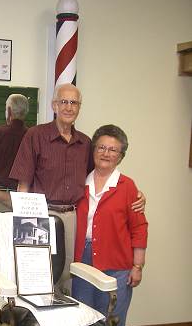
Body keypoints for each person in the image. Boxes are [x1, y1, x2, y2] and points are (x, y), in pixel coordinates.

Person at [9, 83, 145, 286]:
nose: (68, 107)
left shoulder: (85, 143)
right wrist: (21, 225)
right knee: (38, 278)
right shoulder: (35, 136)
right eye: (63, 102)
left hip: (73, 218)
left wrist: (137, 194)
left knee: (69, 279)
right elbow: (23, 184)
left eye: (74, 103)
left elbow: (100, 174)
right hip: (40, 216)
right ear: (54, 105)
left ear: (79, 108)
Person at [72, 124, 148, 326]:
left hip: (117, 262)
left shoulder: (127, 187)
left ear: (120, 156)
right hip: (82, 259)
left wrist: (137, 265)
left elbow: (139, 227)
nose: (106, 153)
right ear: (94, 150)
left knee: (112, 317)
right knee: (85, 316)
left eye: (113, 149)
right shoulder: (79, 180)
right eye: (102, 147)